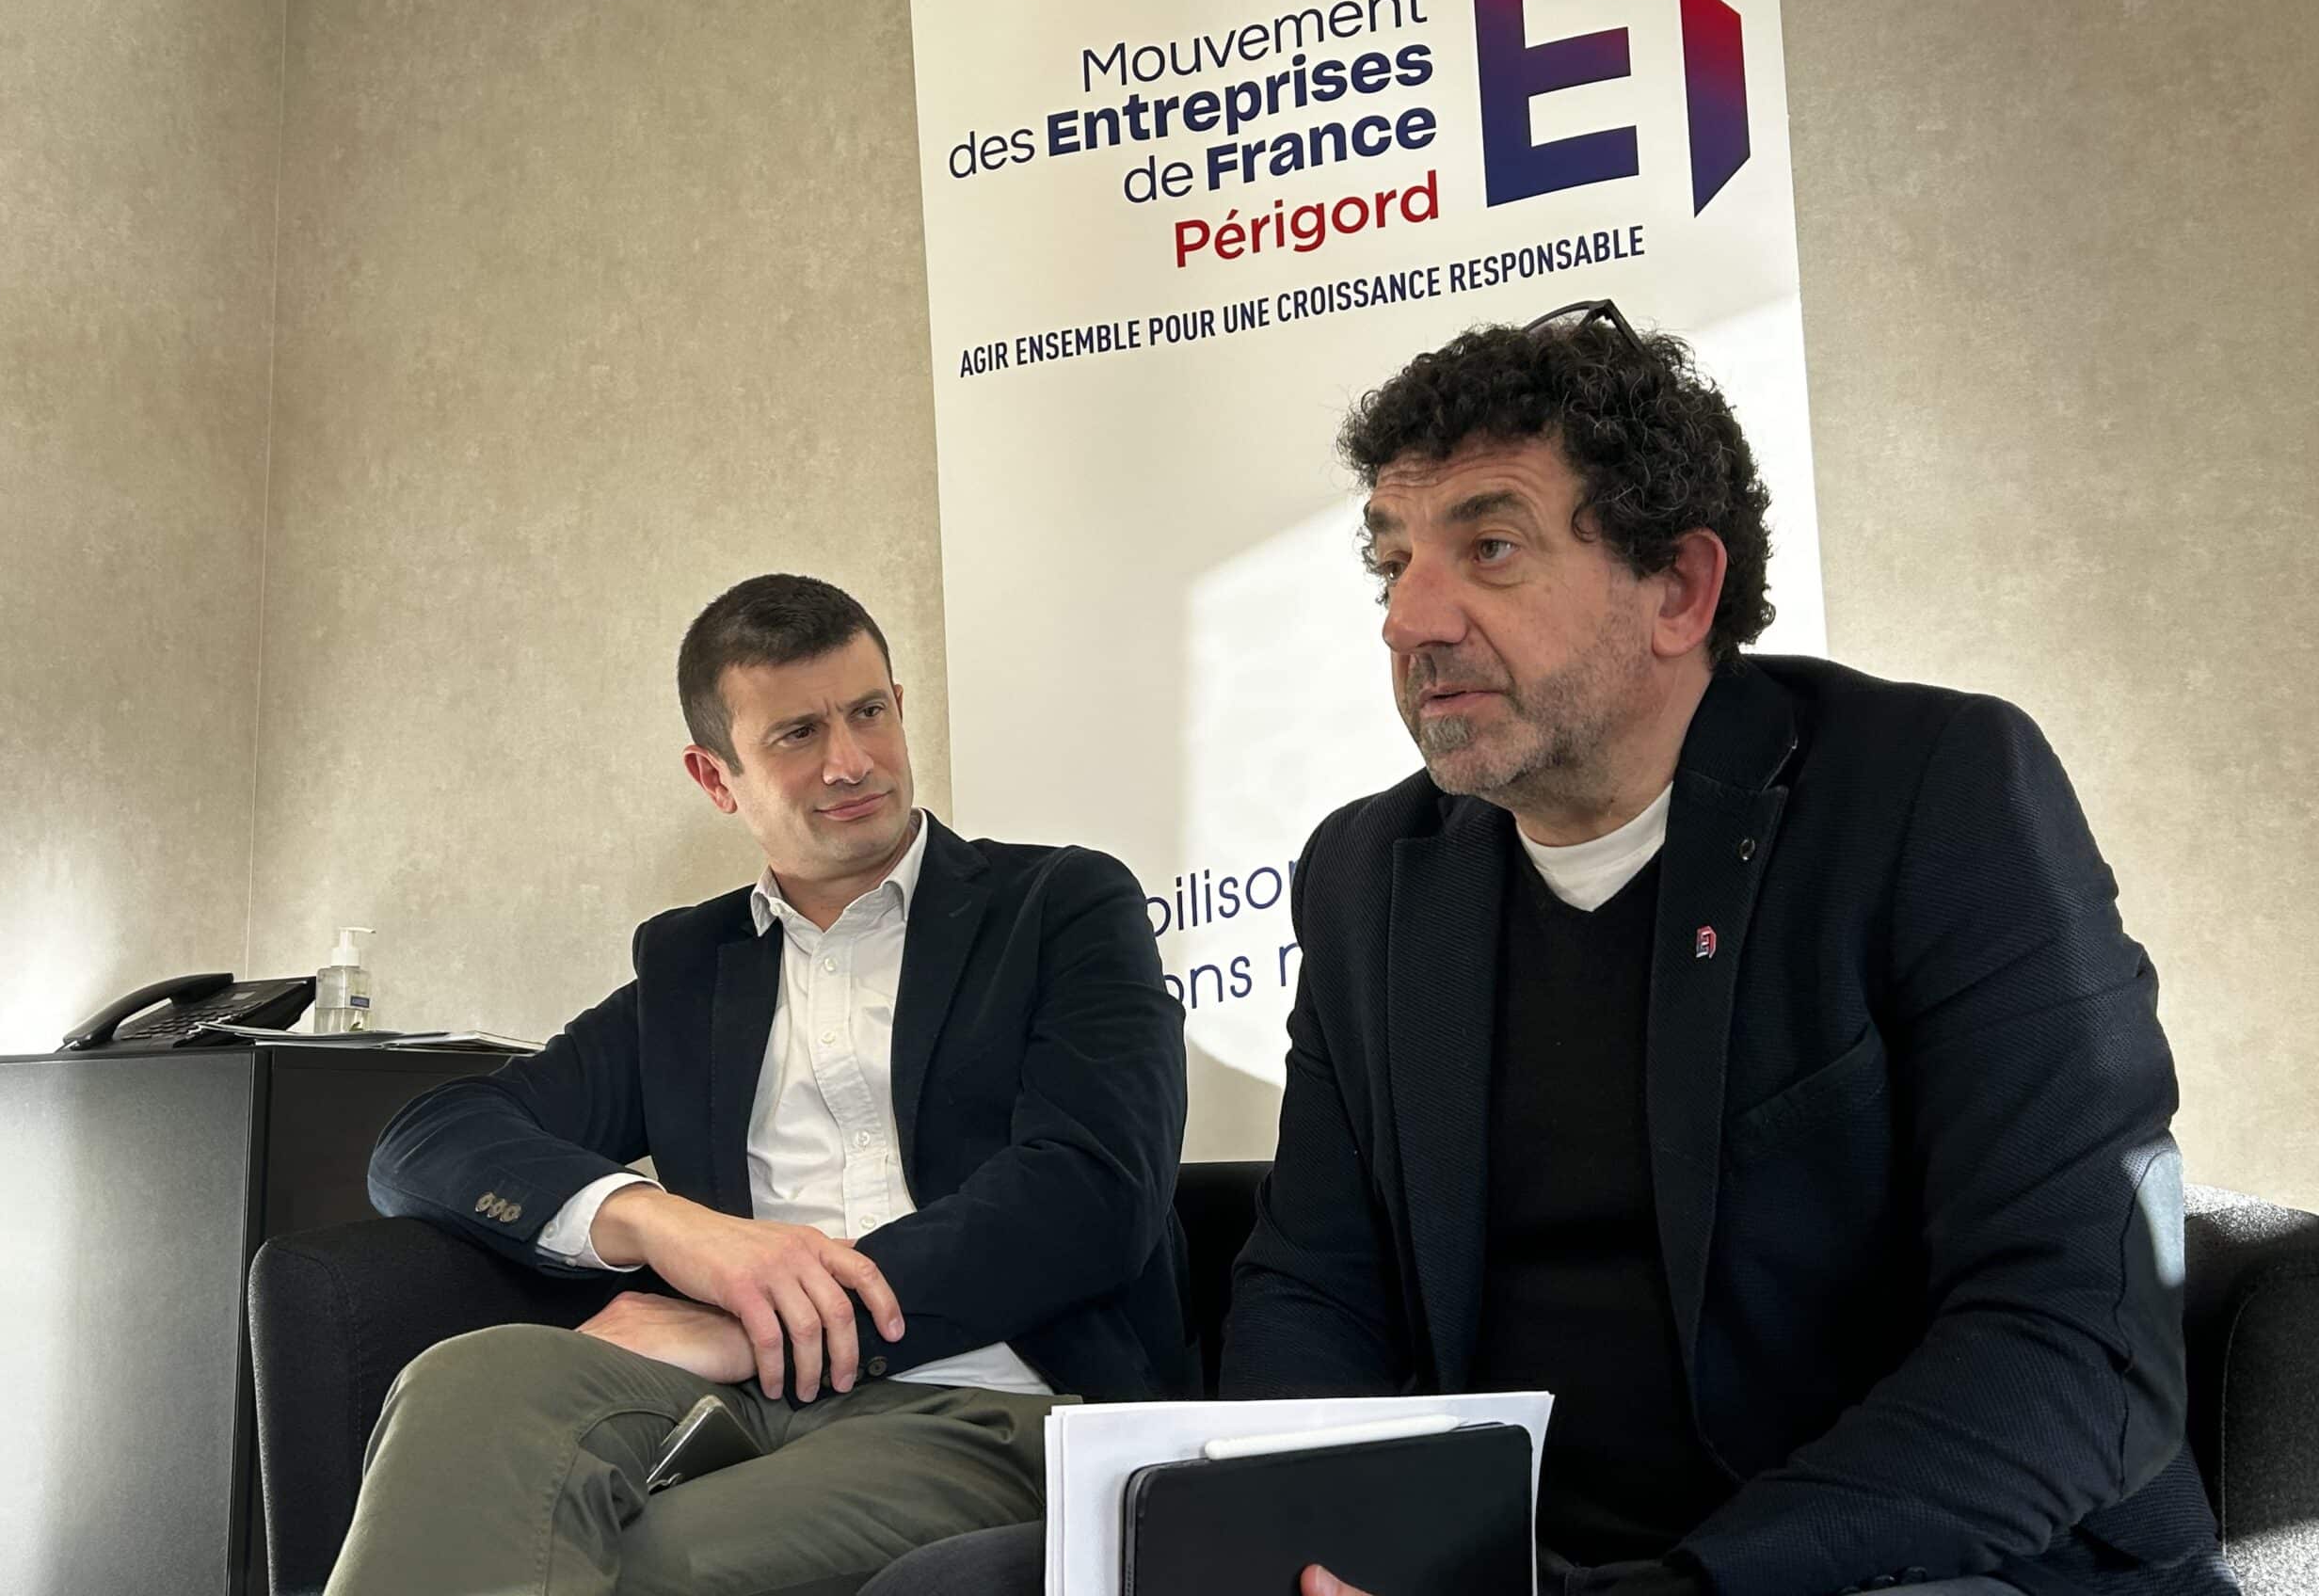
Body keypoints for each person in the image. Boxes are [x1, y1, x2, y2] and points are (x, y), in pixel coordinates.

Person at [861, 304, 2231, 1596]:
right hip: (1499, 1554)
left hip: (1881, 1556)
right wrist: (1308, 1538)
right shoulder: (1367, 876)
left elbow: (2076, 1338)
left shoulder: (1933, 793)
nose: (1409, 620)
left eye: (1491, 548)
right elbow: (1316, 1282)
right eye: (1392, 563)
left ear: (1679, 587)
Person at [326, 573, 1191, 1596]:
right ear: (715, 776)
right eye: (797, 734)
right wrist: (665, 1226)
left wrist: (753, 1323)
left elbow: (1091, 1193)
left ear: (900, 707)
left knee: (626, 1567)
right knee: (467, 1380)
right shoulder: (690, 967)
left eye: (868, 713)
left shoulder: (1058, 905)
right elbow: (427, 1141)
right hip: (731, 1400)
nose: (851, 761)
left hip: (980, 1403)